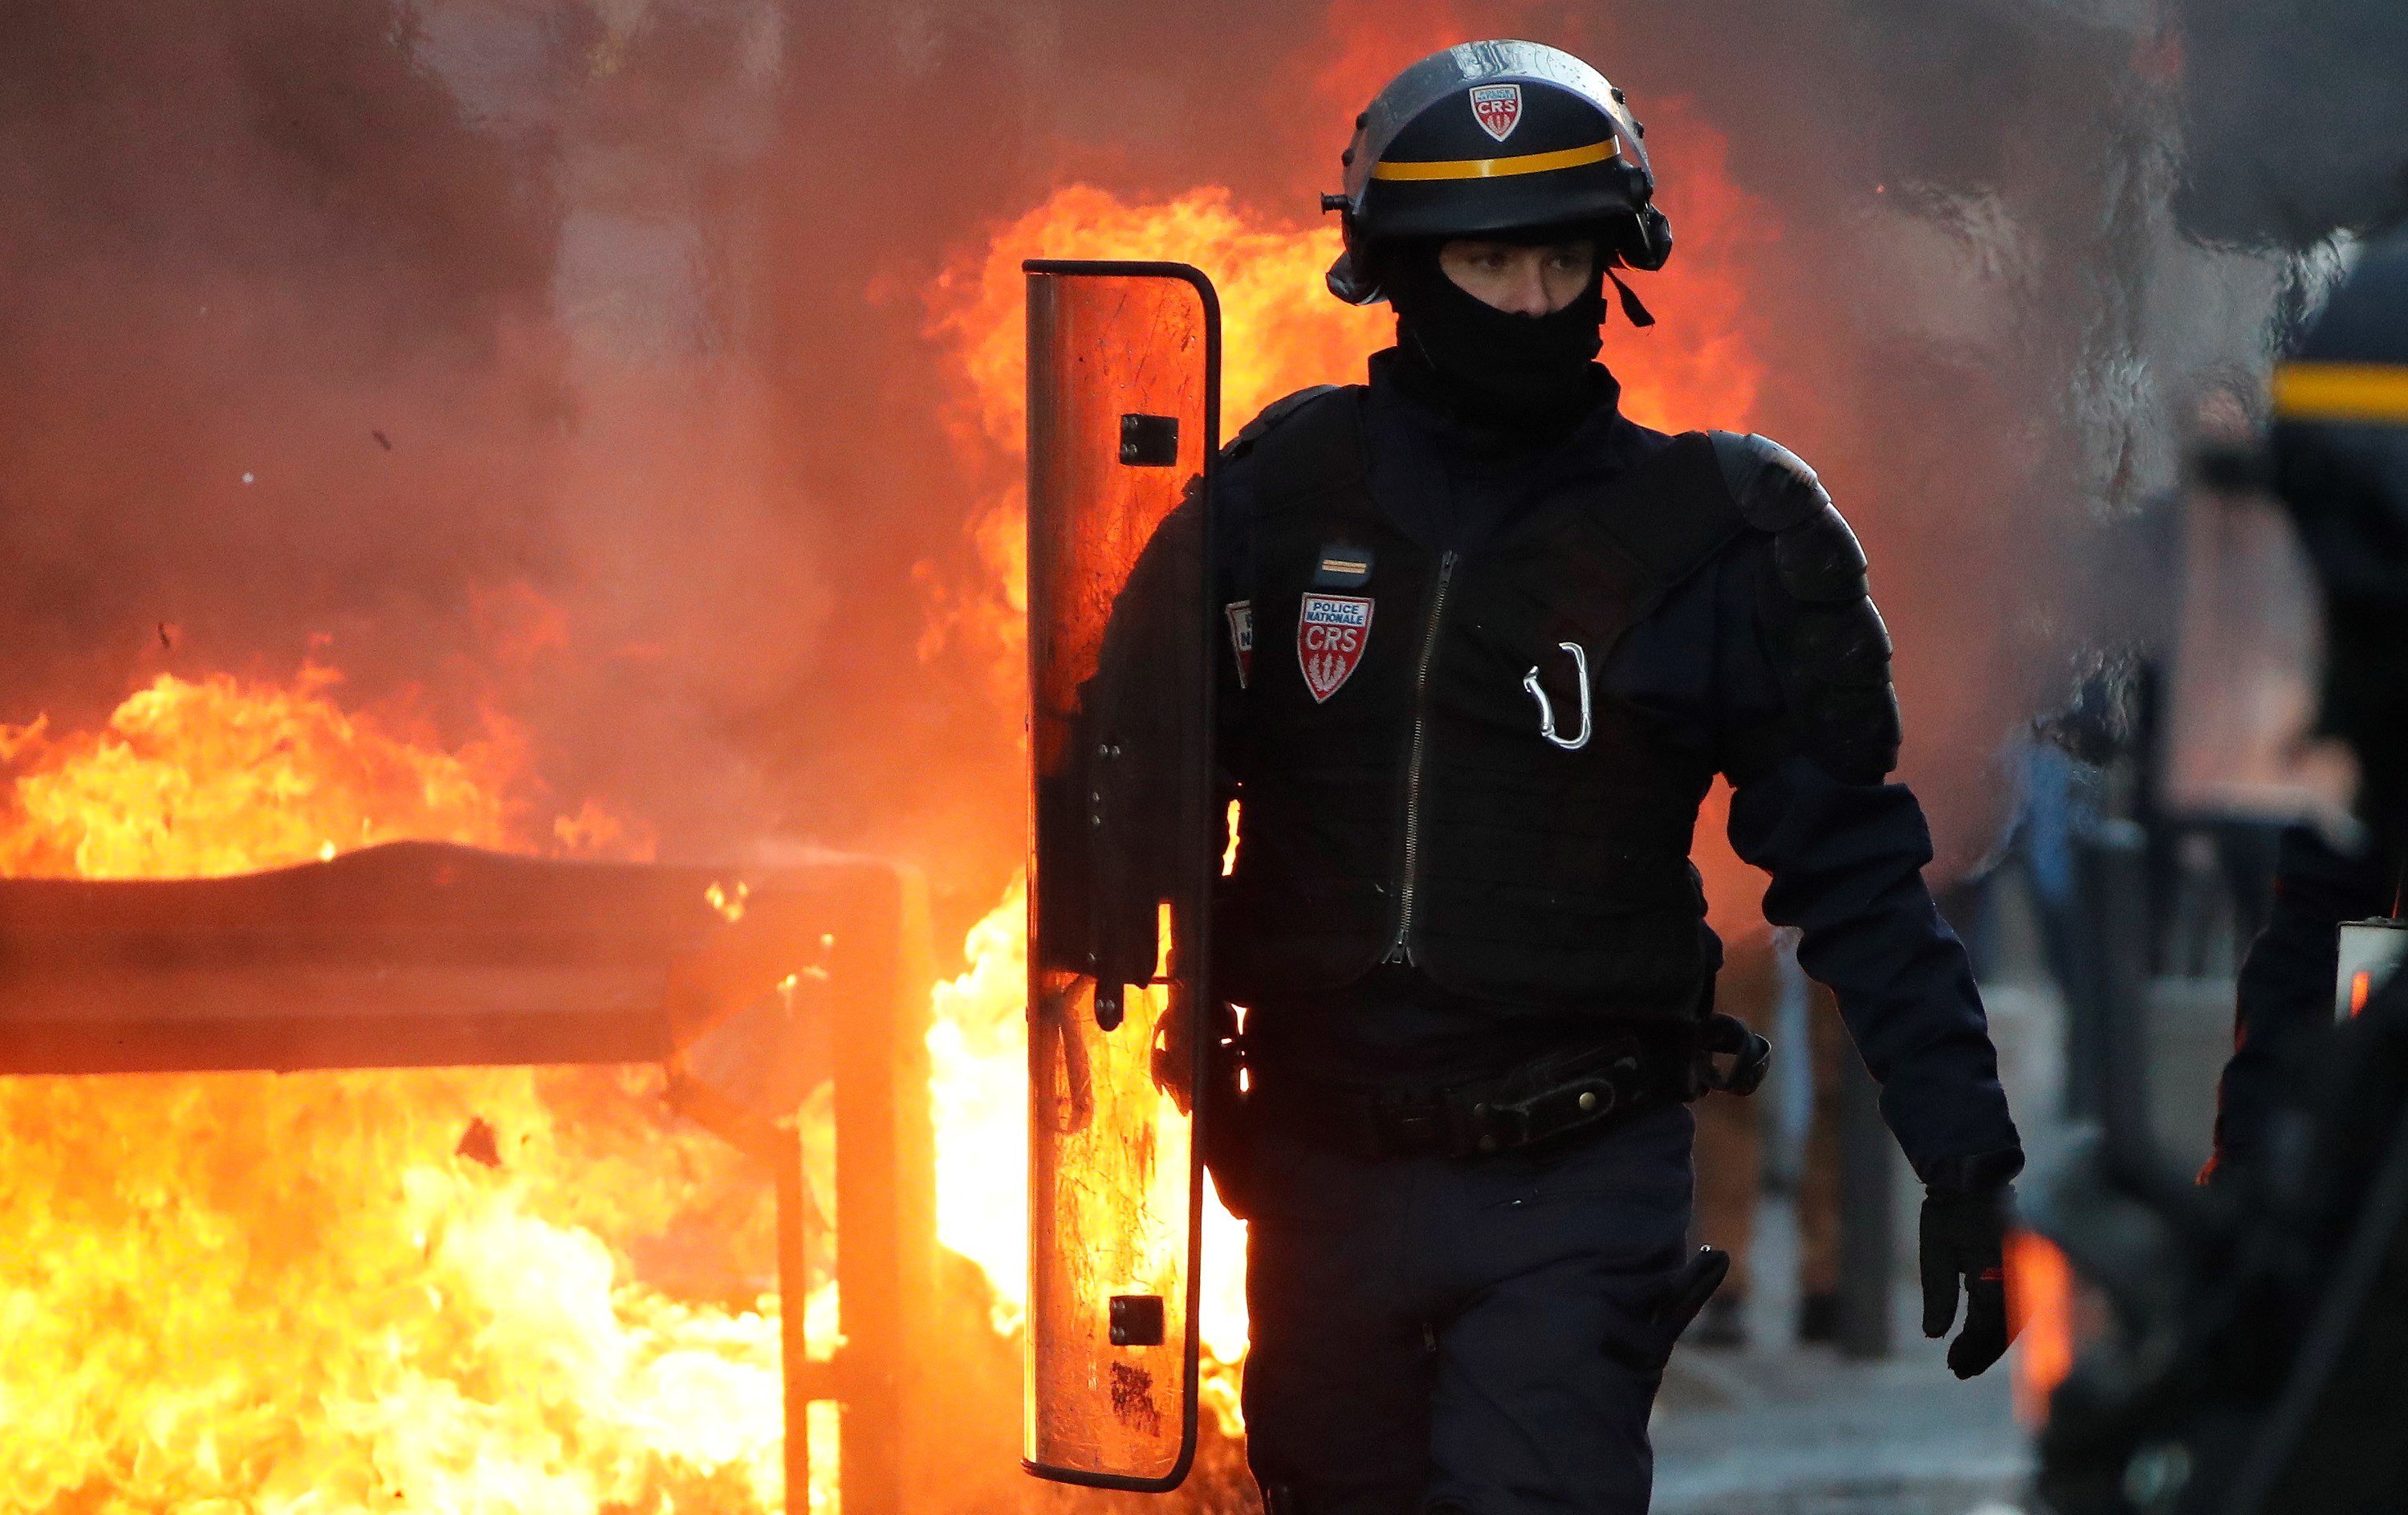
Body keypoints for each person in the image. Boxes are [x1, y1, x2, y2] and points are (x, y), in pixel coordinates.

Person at [1157, 42, 2026, 1515]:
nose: (1532, 302)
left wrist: (1963, 1152)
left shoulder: (1717, 534)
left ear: (1617, 264)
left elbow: (1859, 871)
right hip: (1317, 1176)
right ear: (1400, 270)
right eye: (1490, 260)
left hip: (1575, 1180)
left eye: (1564, 258)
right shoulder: (1278, 497)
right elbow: (1131, 799)